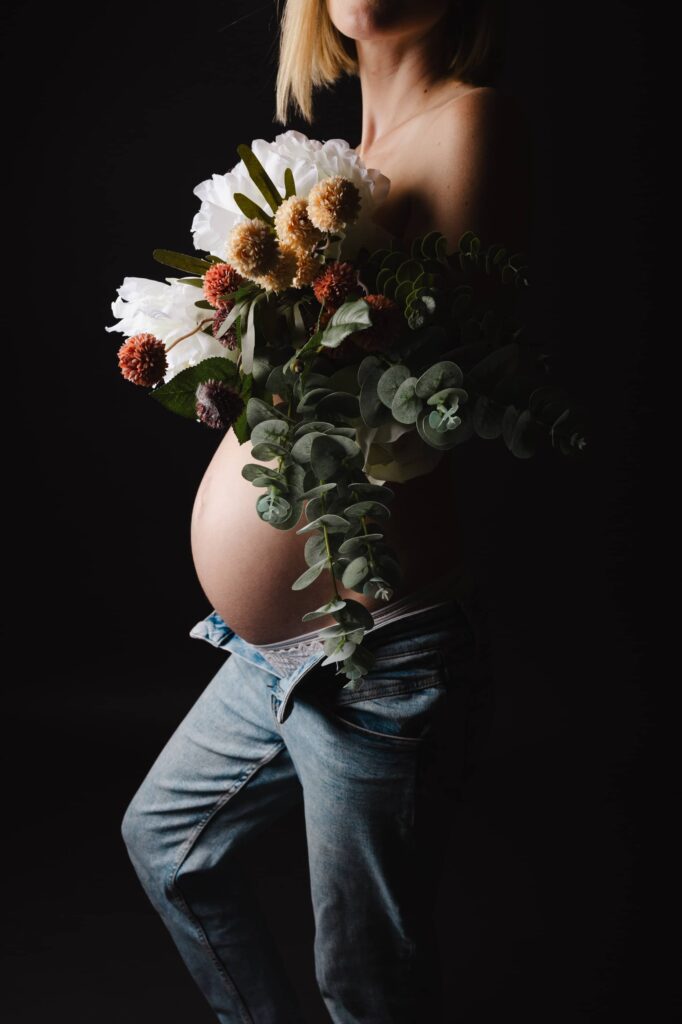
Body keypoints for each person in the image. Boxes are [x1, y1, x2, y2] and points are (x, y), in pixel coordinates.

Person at [121, 1, 530, 1021]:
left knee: (364, 986)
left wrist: (285, 302)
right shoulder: (344, 158)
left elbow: (423, 399)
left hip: (378, 654)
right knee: (168, 845)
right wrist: (214, 325)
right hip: (275, 649)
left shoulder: (469, 121)